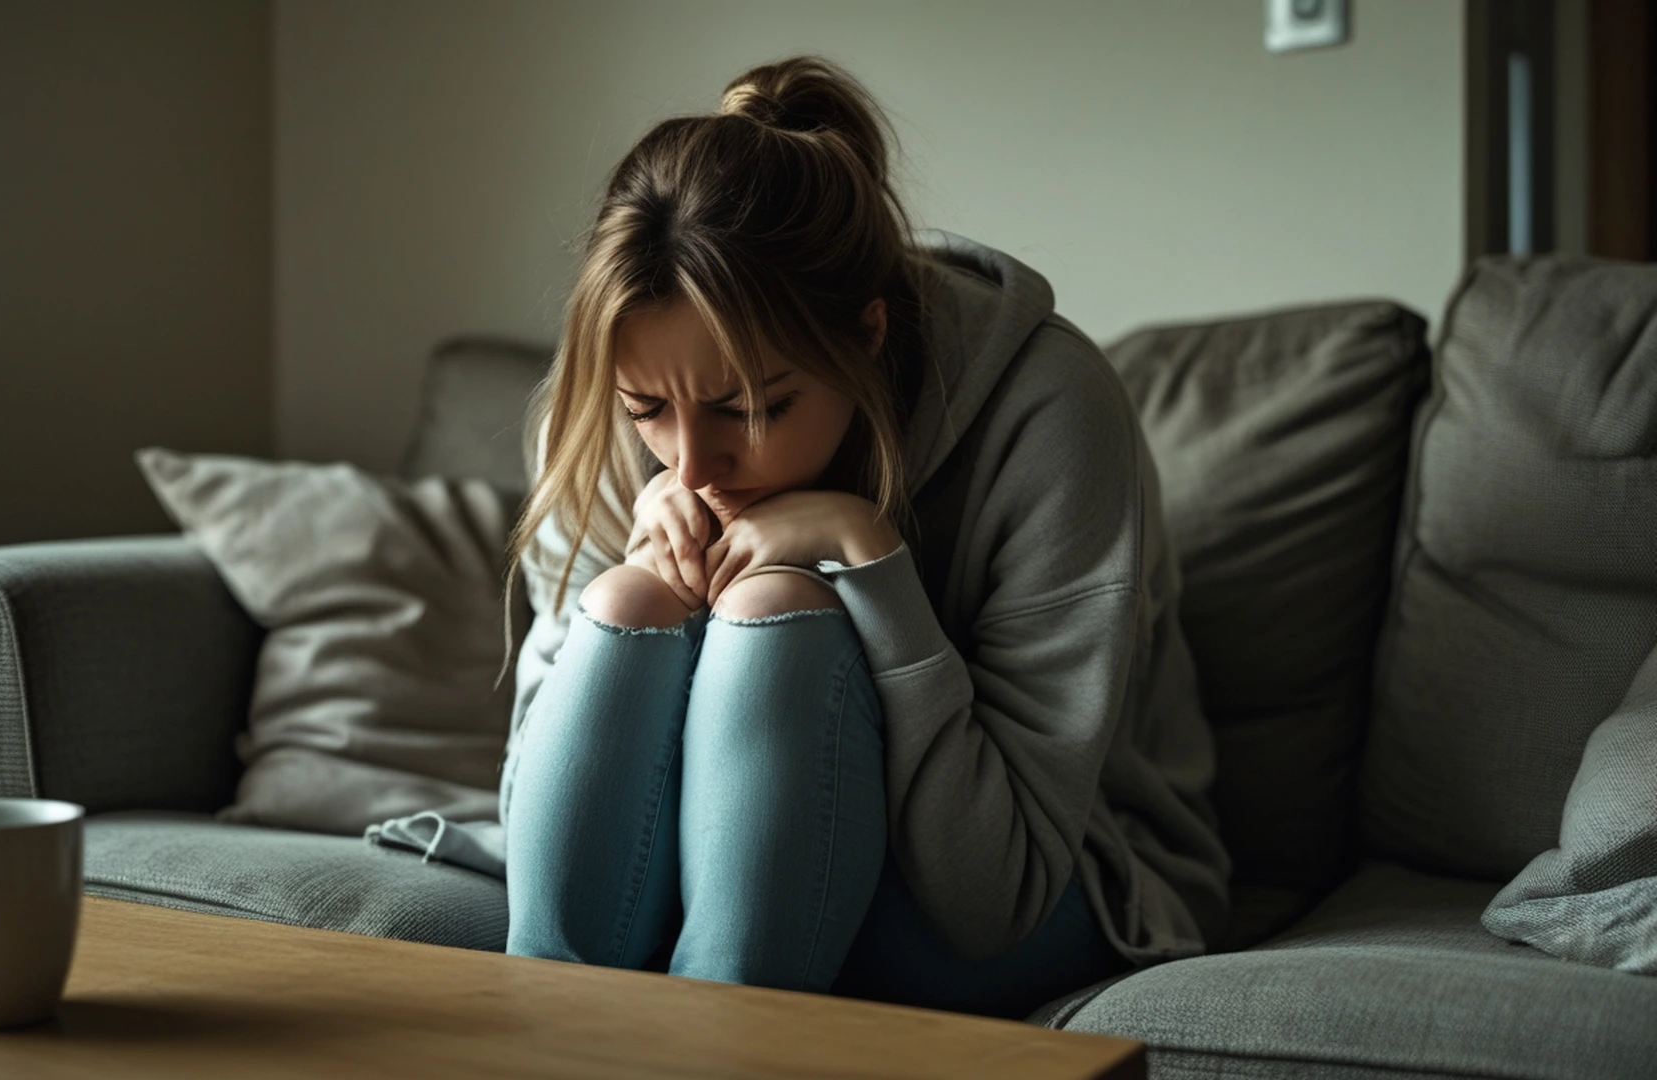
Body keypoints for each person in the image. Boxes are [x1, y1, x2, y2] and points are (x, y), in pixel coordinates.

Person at [497, 55, 1230, 1019]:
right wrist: (646, 585)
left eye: (750, 407)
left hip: (1046, 876)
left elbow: (997, 893)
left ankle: (725, 1039)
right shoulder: (598, 411)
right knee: (628, 599)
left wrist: (873, 567)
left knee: (775, 608)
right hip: (725, 860)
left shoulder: (1053, 410)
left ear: (868, 334)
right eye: (648, 411)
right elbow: (540, 830)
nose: (693, 465)